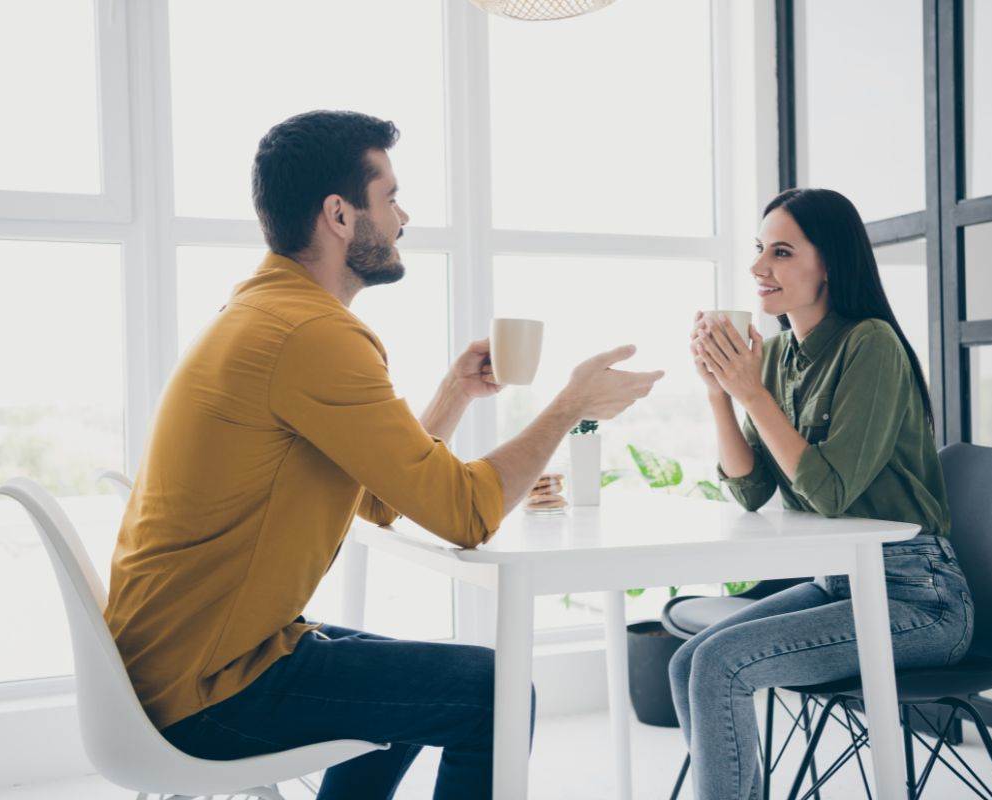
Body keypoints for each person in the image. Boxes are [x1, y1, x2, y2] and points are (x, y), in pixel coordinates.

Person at [103, 109, 663, 800]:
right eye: (390, 196)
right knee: (493, 691)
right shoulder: (315, 334)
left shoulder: (264, 313)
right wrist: (569, 404)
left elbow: (377, 498)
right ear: (339, 215)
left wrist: (454, 395)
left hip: (176, 663)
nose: (404, 217)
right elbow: (467, 514)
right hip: (210, 689)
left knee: (406, 694)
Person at [671, 188, 974, 800]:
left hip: (922, 600)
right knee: (687, 662)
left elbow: (831, 492)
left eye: (780, 252)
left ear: (829, 263)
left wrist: (752, 394)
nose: (759, 268)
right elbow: (752, 490)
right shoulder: (777, 354)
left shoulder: (871, 344)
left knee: (719, 664)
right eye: (759, 250)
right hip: (843, 584)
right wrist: (719, 394)